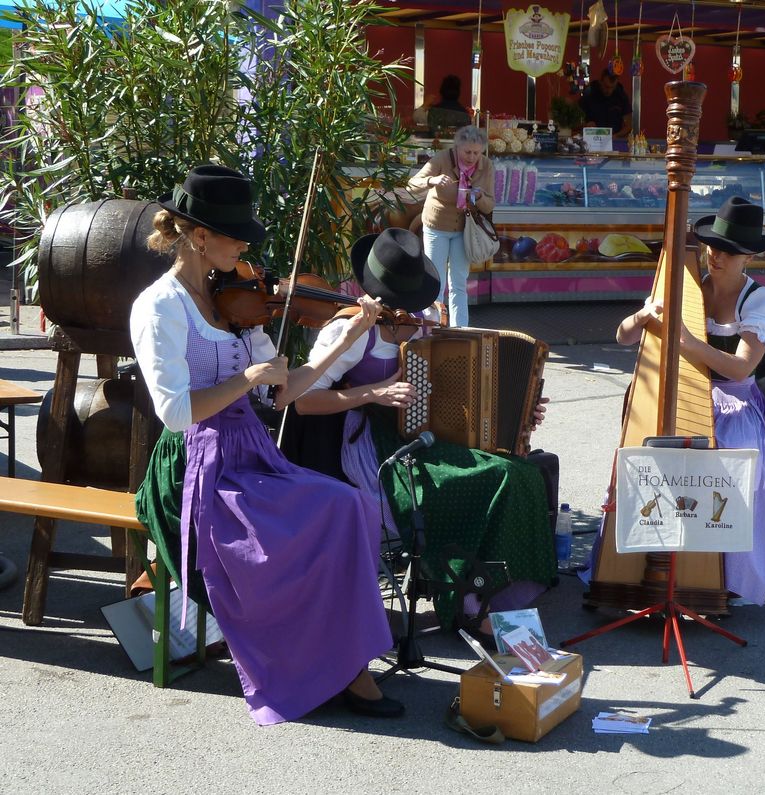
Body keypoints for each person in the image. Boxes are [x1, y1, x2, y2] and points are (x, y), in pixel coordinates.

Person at [130, 165, 403, 725]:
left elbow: (286, 394)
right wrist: (246, 381)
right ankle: (329, 667)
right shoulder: (159, 307)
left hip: (250, 453)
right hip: (193, 468)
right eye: (236, 237)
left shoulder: (236, 298)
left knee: (345, 504)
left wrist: (344, 340)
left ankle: (344, 661)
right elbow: (177, 413)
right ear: (198, 236)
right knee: (318, 516)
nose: (246, 247)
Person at [293, 228, 555, 634]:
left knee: (518, 474)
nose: (414, 314)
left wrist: (520, 410)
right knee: (482, 482)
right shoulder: (346, 332)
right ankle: (468, 602)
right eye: (404, 304)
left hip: (427, 432)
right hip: (372, 442)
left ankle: (492, 593)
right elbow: (305, 402)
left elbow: (464, 385)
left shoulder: (424, 323)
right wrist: (373, 392)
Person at [616, 197, 765, 606]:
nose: (716, 257)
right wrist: (640, 319)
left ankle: (723, 577)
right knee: (648, 452)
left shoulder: (760, 300)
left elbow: (741, 369)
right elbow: (622, 337)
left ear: (747, 257)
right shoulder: (686, 286)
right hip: (687, 394)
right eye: (712, 247)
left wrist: (688, 343)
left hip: (736, 405)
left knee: (720, 465)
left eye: (727, 252)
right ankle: (647, 565)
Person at [407, 124, 494, 328]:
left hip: (464, 229)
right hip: (437, 224)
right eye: (467, 152)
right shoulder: (442, 158)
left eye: (476, 153)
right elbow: (412, 184)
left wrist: (479, 197)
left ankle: (459, 329)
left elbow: (490, 204)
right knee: (436, 280)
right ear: (457, 147)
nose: (472, 157)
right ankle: (434, 326)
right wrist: (432, 180)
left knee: (459, 281)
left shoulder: (487, 166)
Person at [579, 64, 633, 139]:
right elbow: (577, 121)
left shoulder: (621, 95)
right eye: (606, 87)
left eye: (612, 87)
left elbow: (628, 126)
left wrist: (616, 136)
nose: (609, 91)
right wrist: (585, 125)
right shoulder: (589, 93)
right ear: (600, 82)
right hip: (592, 139)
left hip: (614, 139)